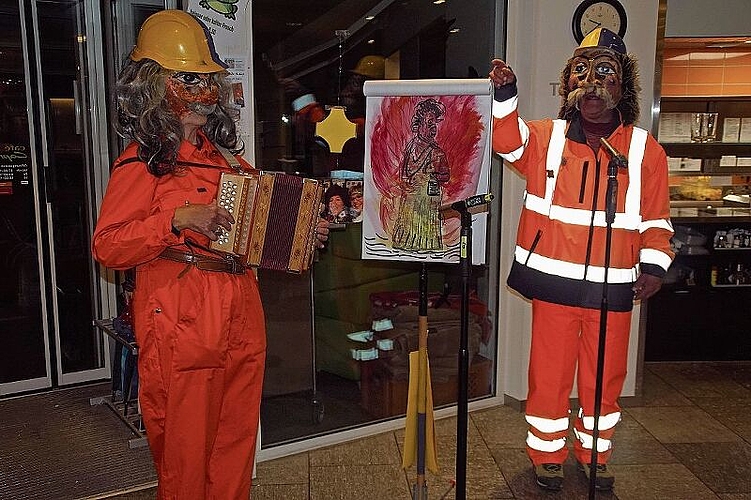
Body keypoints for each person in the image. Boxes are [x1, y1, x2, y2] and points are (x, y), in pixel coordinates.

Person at [91, 10, 328, 500]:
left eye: (207, 81)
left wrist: (305, 230)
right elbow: (109, 245)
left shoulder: (227, 160)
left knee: (234, 444)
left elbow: (256, 231)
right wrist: (175, 221)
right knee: (185, 451)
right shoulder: (142, 163)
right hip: (181, 314)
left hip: (240, 306)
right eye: (188, 80)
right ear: (155, 87)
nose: (202, 93)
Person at [488, 28, 674, 491]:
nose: (591, 84)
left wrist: (654, 266)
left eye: (605, 73)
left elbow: (656, 217)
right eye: (581, 71)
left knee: (604, 378)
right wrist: (506, 95)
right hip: (553, 286)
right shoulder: (546, 138)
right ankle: (545, 455)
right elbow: (506, 142)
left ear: (621, 87)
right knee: (548, 374)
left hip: (614, 289)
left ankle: (594, 454)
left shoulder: (643, 149)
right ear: (569, 82)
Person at [285, 55, 386, 176]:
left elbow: (335, 129)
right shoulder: (357, 113)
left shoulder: (373, 118)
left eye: (359, 81)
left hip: (359, 179)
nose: (350, 88)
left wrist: (303, 97)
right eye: (353, 79)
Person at [391, 98, 450, 251]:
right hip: (409, 204)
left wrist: (432, 176)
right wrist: (406, 183)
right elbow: (403, 172)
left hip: (426, 204)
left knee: (425, 241)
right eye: (429, 123)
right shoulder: (410, 147)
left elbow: (445, 175)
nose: (433, 128)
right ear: (418, 125)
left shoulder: (437, 153)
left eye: (435, 124)